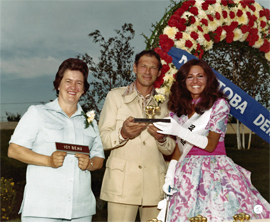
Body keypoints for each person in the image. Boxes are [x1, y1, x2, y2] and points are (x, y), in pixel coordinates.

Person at [154, 59, 270, 222]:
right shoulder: (179, 108)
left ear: (208, 79)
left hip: (214, 170)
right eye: (189, 77)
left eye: (200, 76)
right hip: (185, 172)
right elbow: (180, 148)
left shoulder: (218, 105)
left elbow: (210, 145)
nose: (195, 81)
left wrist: (179, 130)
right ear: (183, 81)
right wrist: (170, 174)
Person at [8, 58, 105, 222]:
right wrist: (48, 160)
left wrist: (89, 164)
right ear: (58, 84)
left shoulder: (90, 121)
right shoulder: (37, 113)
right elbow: (14, 150)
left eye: (79, 83)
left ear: (84, 89)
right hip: (42, 209)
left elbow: (99, 159)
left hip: (80, 211)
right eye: (68, 81)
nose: (73, 87)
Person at [98, 49, 176, 222]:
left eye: (153, 68)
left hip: (154, 185)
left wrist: (161, 138)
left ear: (158, 72)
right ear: (135, 68)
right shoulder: (115, 96)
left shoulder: (165, 103)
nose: (147, 72)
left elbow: (171, 147)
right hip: (122, 184)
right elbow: (101, 140)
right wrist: (123, 133)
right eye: (143, 66)